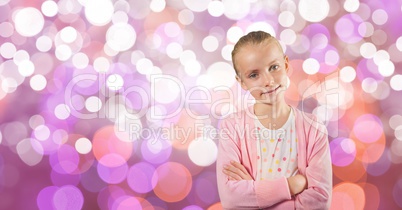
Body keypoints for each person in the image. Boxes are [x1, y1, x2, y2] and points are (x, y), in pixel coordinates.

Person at [216, 31, 332, 209]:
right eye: (254, 75)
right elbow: (232, 200)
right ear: (242, 83)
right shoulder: (231, 127)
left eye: (273, 67)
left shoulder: (313, 128)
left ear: (286, 65)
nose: (268, 81)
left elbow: (319, 200)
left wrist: (256, 195)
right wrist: (292, 185)